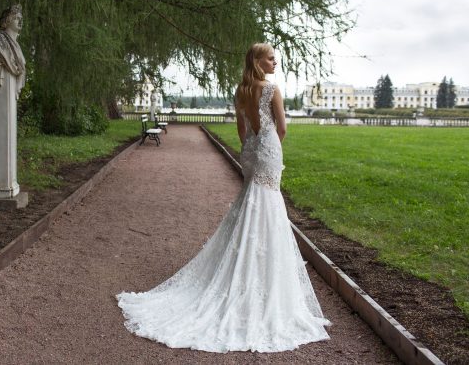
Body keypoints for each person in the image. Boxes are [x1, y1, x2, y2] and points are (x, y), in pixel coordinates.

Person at [117, 43, 330, 353]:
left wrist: (252, 148)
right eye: (270, 58)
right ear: (257, 61)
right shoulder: (272, 90)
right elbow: (282, 129)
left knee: (251, 204)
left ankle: (245, 268)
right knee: (267, 206)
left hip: (252, 151)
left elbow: (241, 128)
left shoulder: (241, 90)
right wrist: (268, 144)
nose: (275, 62)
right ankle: (262, 279)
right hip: (268, 150)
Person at [0, 4, 26, 98]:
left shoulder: (17, 46)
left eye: (21, 18)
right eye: (16, 18)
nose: (20, 21)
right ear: (8, 21)